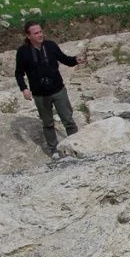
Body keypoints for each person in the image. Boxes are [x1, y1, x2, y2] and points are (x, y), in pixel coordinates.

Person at [14, 21, 86, 156]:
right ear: (28, 36)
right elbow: (19, 73)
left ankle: (77, 145)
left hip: (58, 90)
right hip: (40, 94)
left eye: (40, 31)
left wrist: (76, 60)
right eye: (36, 33)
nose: (40, 35)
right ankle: (53, 150)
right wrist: (24, 89)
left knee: (68, 120)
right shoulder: (23, 52)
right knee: (48, 123)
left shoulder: (50, 46)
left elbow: (65, 60)